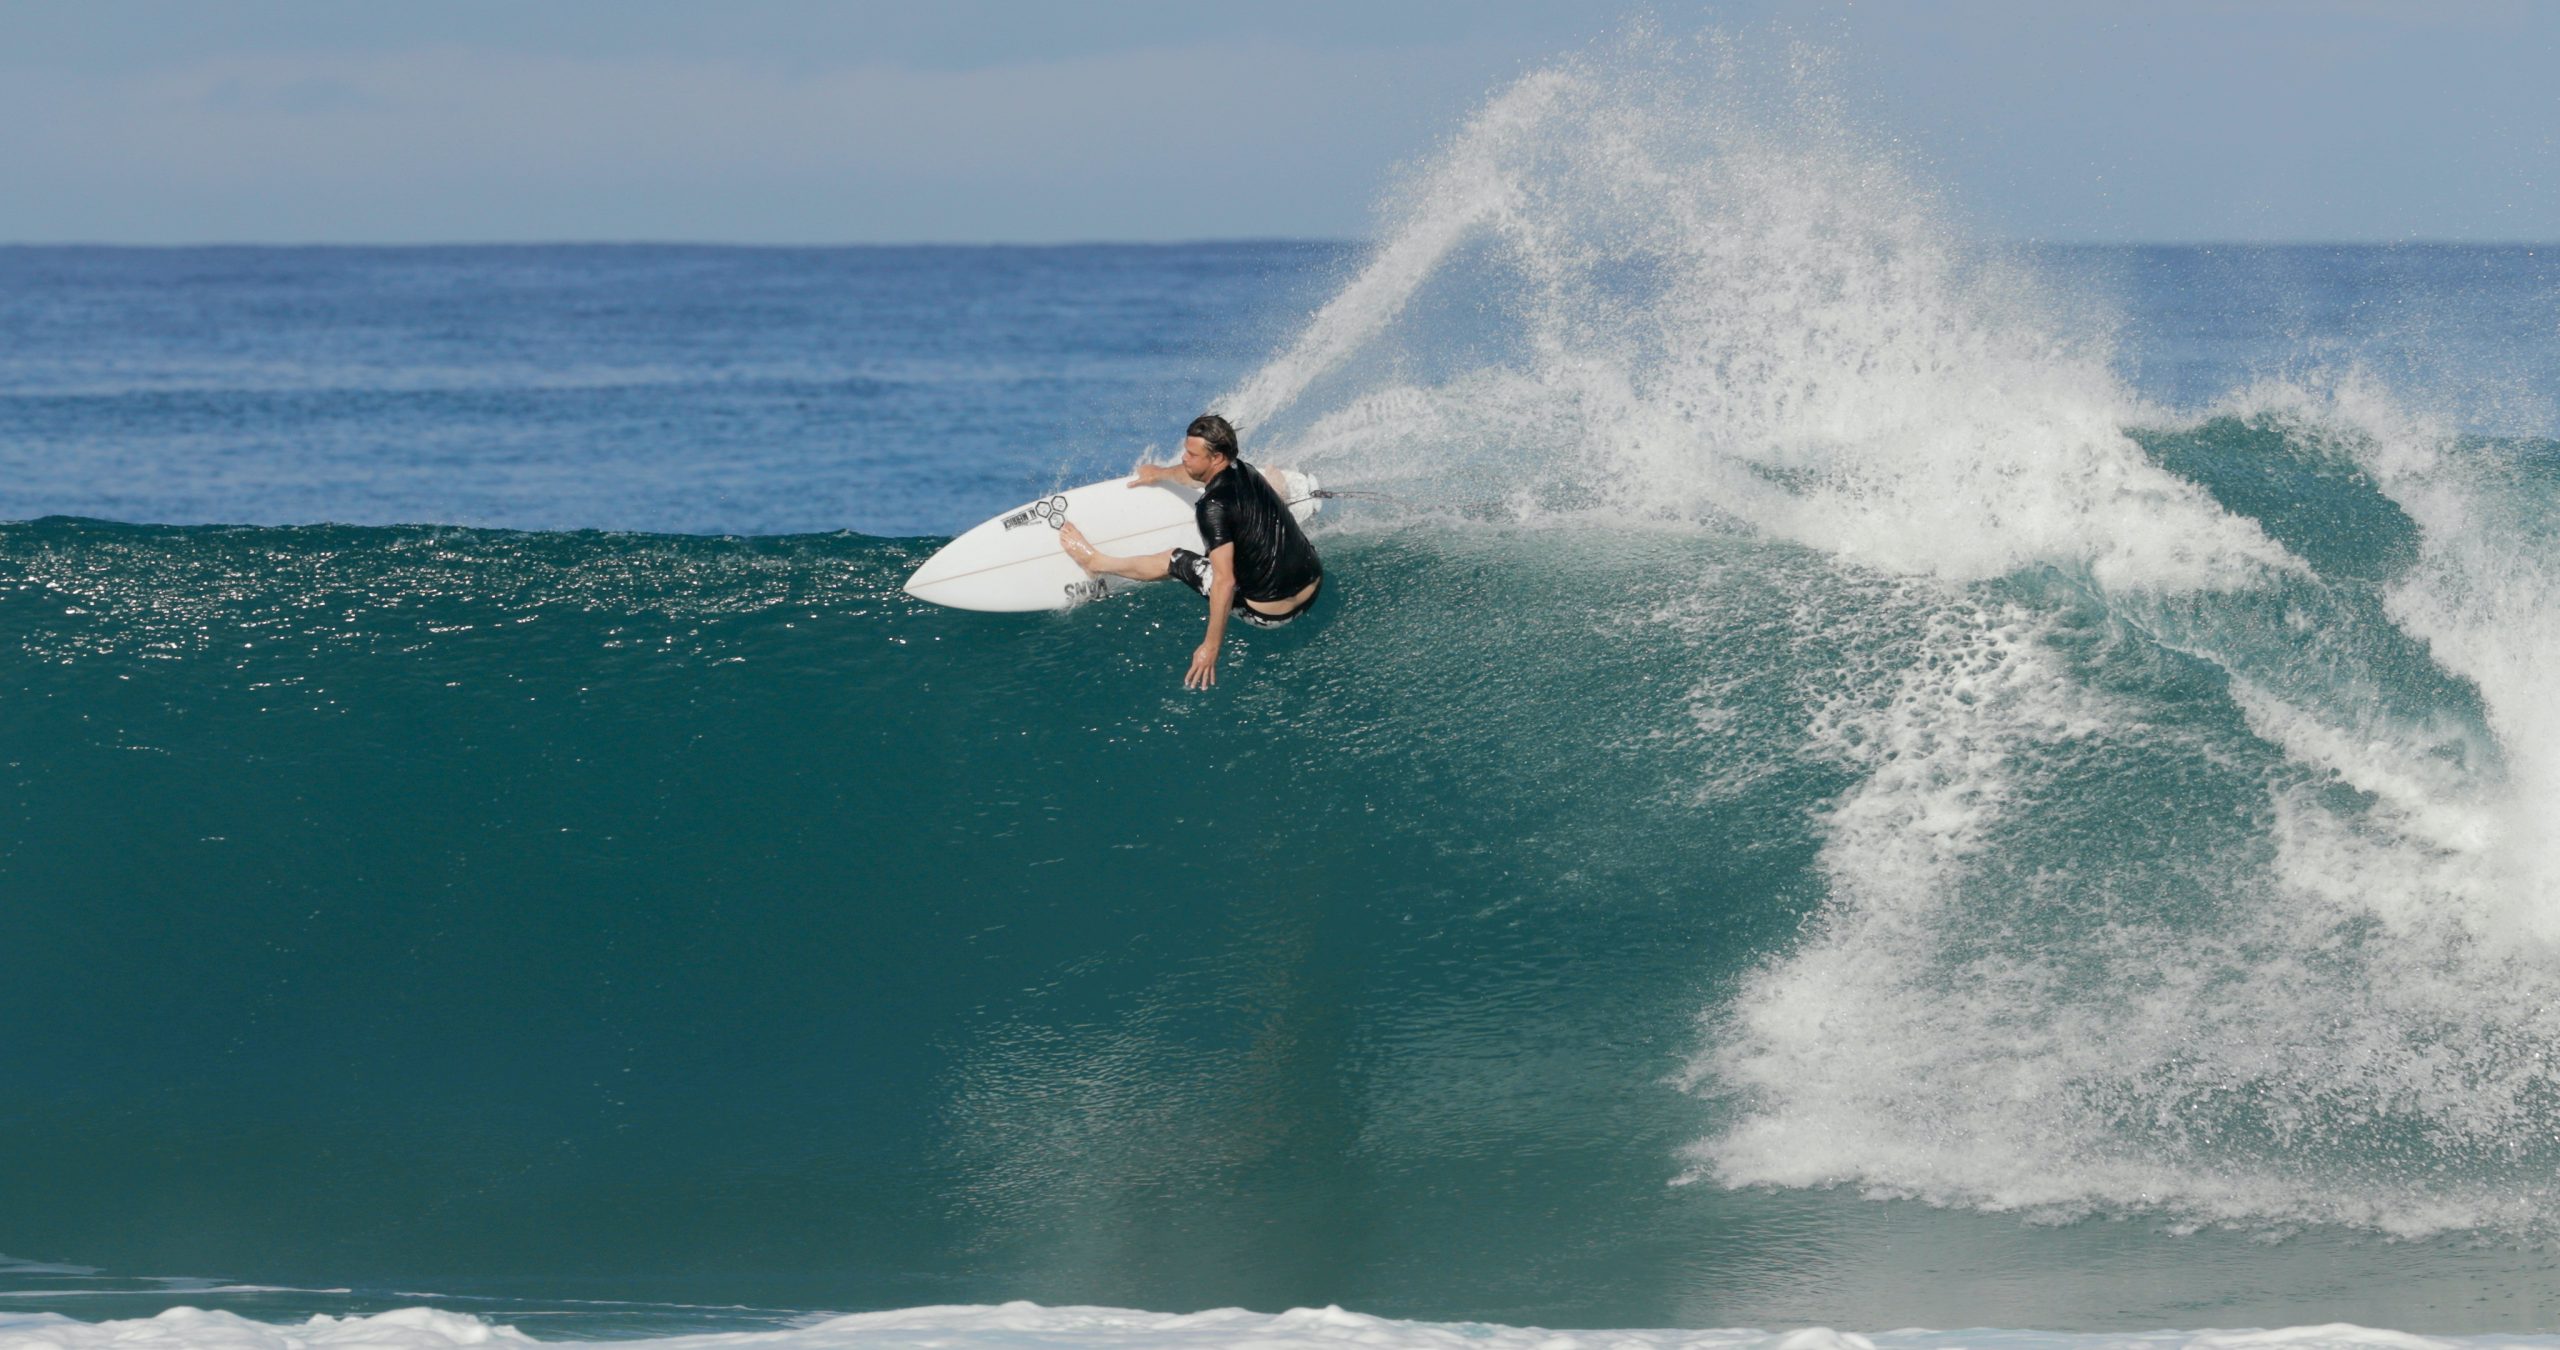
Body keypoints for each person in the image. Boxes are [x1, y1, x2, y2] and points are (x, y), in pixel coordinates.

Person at [1059, 413, 1323, 689]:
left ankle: (1096, 562)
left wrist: (1211, 648)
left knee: (1175, 558)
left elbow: (1225, 581)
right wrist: (1159, 474)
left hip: (1270, 615)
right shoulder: (1247, 471)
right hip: (1314, 584)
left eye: (1192, 454)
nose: (1185, 457)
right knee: (1267, 507)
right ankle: (1280, 495)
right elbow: (1193, 475)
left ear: (1217, 458)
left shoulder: (1211, 508)